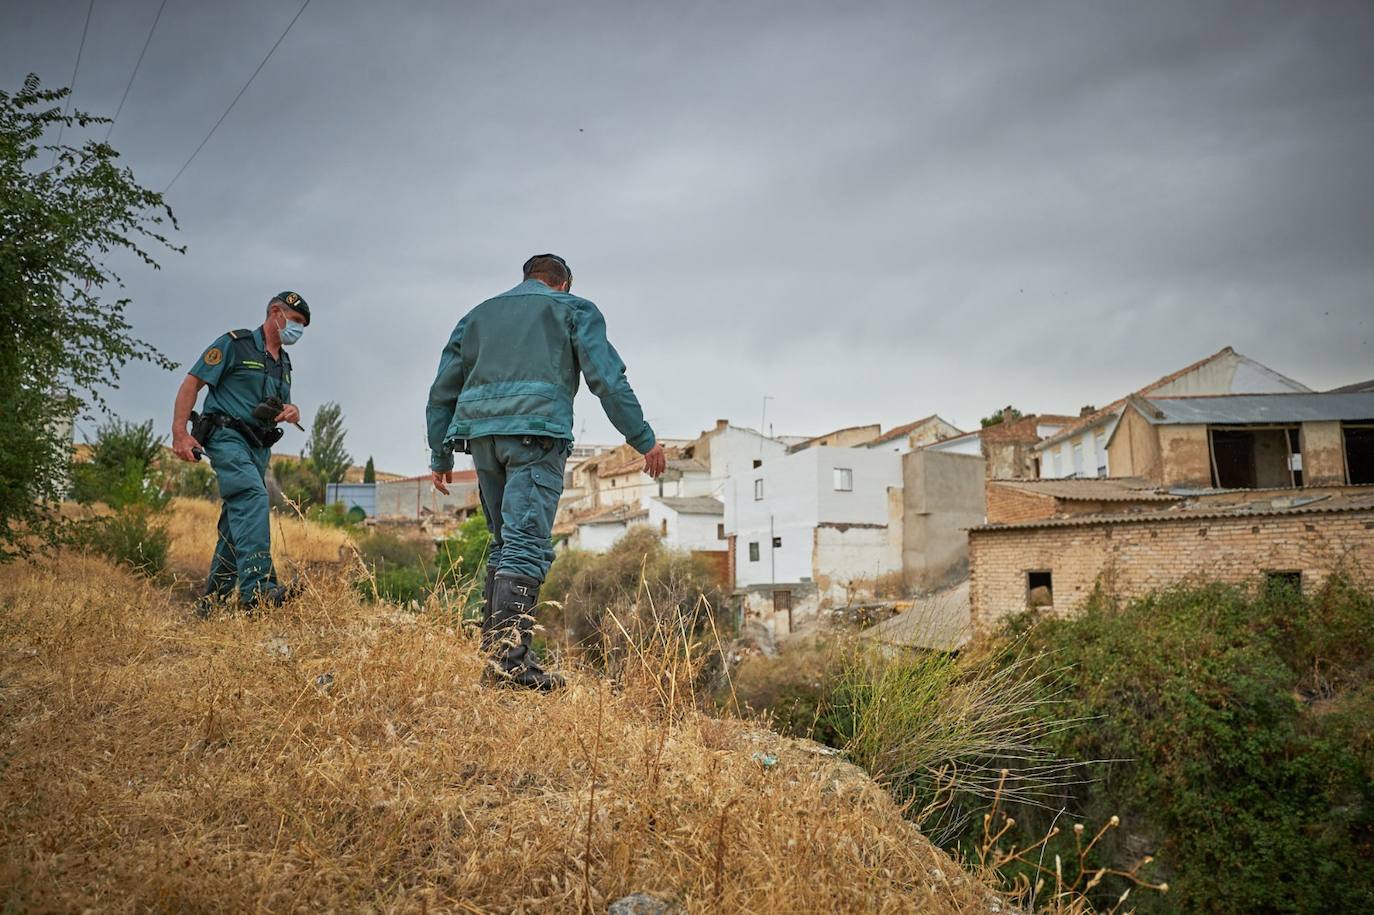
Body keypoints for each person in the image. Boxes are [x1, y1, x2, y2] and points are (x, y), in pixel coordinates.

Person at [427, 255, 665, 690]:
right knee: (526, 545)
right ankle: (513, 665)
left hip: (481, 439)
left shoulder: (477, 315)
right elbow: (607, 381)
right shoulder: (573, 309)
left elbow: (443, 389)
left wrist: (440, 455)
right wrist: (643, 439)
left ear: (526, 278)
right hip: (535, 436)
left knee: (504, 543)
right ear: (563, 284)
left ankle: (495, 654)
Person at [171, 291, 311, 614]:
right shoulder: (235, 344)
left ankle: (213, 605)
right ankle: (258, 590)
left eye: (303, 325)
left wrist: (292, 411)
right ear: (275, 312)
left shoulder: (283, 363)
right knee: (252, 497)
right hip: (226, 436)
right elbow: (192, 383)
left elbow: (278, 405)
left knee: (237, 524)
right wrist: (180, 433)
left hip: (258, 446)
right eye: (295, 321)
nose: (298, 330)